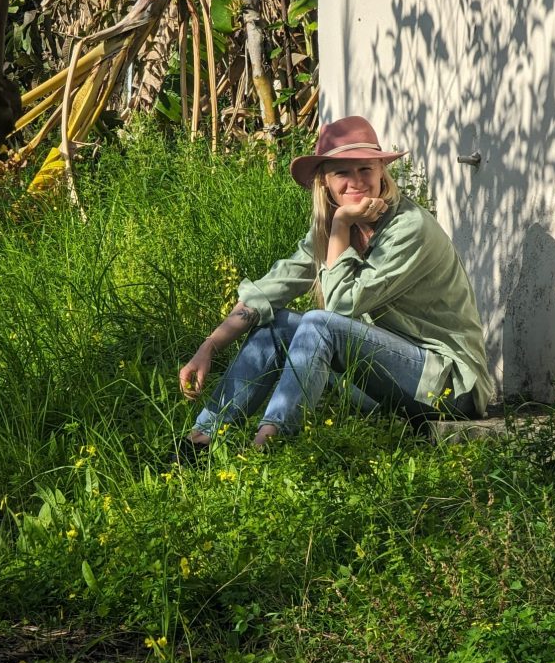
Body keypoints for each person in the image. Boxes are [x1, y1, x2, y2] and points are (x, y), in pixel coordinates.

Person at [176, 116, 493, 457]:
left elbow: (339, 309)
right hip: (387, 382)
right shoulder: (331, 231)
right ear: (324, 181)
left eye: (365, 170)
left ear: (381, 173)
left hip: (448, 387)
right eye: (342, 172)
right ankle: (201, 442)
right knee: (278, 324)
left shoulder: (409, 229)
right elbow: (271, 289)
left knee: (319, 323)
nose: (356, 182)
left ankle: (269, 446)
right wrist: (209, 346)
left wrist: (341, 222)